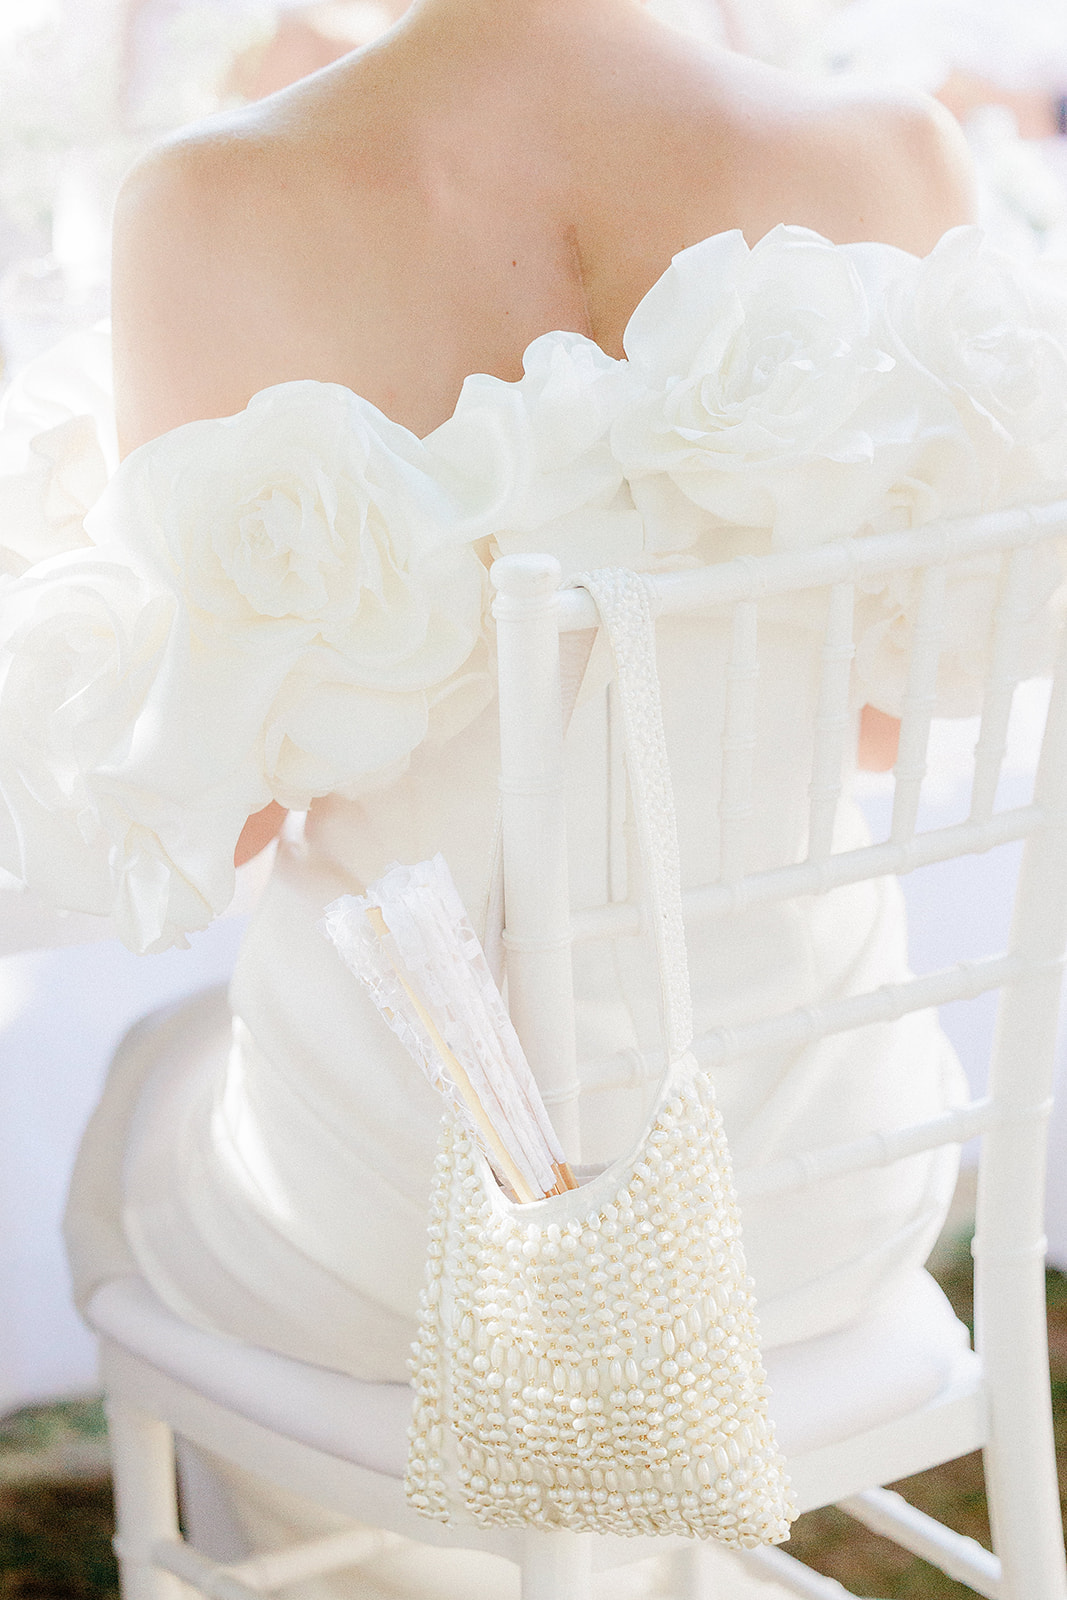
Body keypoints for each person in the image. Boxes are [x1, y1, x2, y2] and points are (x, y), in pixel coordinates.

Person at [6, 0, 1066, 1591]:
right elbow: (881, 725)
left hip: (411, 1230)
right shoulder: (893, 156)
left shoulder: (206, 202)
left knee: (154, 1105)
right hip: (819, 1181)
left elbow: (220, 826)